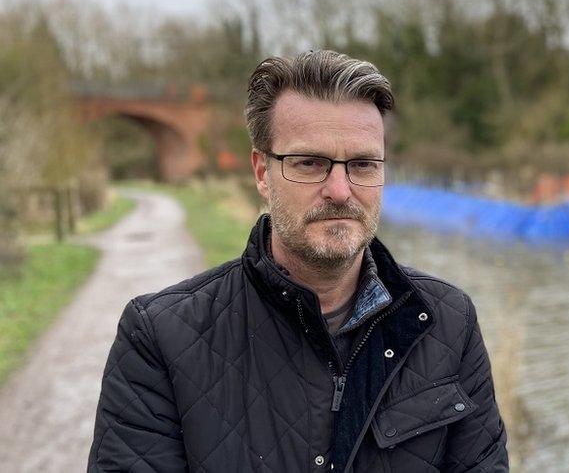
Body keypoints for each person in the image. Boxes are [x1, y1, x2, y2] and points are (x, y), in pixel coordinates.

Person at [88, 50, 508, 472]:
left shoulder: (449, 322)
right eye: (309, 163)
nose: (340, 190)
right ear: (261, 172)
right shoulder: (160, 338)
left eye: (363, 164)